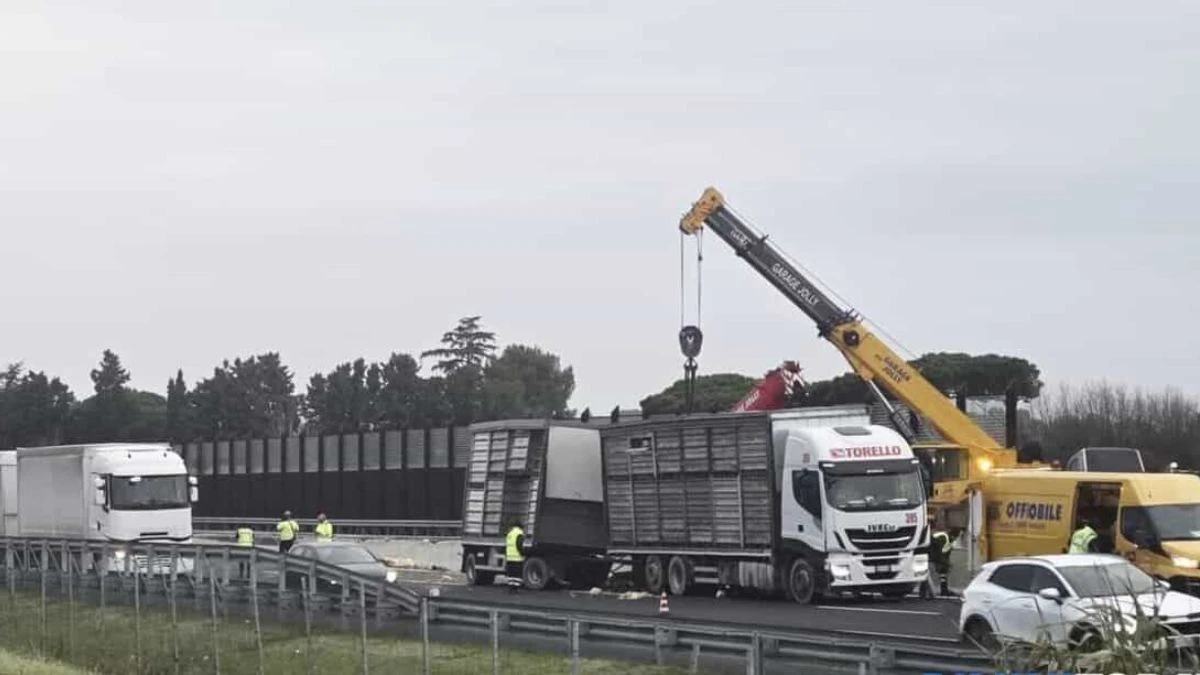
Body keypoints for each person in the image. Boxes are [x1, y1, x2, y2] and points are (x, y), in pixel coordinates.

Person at [922, 528, 956, 598]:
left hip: (930, 552)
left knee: (942, 570)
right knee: (926, 572)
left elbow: (945, 555)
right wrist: (944, 563)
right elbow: (939, 553)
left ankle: (943, 590)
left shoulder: (947, 540)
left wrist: (945, 564)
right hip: (927, 551)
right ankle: (927, 592)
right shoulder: (943, 537)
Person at [505, 519, 526, 593]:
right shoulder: (519, 533)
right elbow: (519, 545)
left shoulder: (510, 533)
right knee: (517, 574)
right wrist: (523, 554)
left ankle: (511, 588)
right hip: (517, 558)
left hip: (509, 557)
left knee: (511, 574)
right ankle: (515, 589)